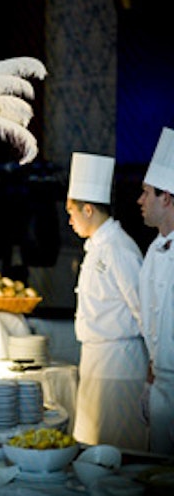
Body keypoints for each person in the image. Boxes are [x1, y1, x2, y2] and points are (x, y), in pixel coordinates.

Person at [66, 152, 149, 450]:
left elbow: (144, 312)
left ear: (88, 210)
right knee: (91, 448)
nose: (69, 221)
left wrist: (154, 369)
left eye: (71, 212)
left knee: (115, 452)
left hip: (119, 366)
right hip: (95, 363)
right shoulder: (96, 248)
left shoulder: (119, 249)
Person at [137, 126, 174, 455]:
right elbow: (152, 322)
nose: (140, 200)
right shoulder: (153, 250)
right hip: (161, 387)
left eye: (147, 192)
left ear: (167, 197)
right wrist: (150, 382)